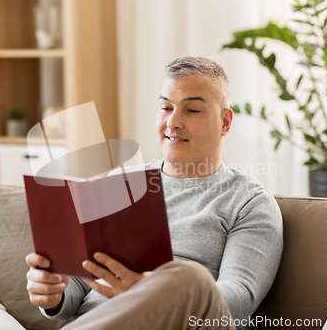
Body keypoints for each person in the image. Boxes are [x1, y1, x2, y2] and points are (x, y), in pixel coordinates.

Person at [25, 56, 283, 330]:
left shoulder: (249, 203)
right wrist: (54, 292)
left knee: (190, 277)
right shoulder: (120, 184)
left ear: (225, 122)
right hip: (98, 322)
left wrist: (153, 290)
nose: (173, 122)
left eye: (192, 110)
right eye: (165, 107)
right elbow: (83, 276)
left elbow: (239, 301)